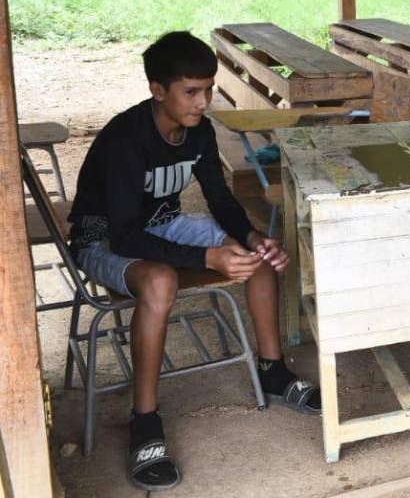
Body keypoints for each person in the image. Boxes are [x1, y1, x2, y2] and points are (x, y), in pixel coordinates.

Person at [68, 31, 320, 492]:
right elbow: (124, 236)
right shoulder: (126, 139)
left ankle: (272, 371)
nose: (204, 101)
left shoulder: (199, 131)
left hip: (164, 225)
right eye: (191, 91)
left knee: (255, 256)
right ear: (157, 90)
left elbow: (220, 199)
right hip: (103, 239)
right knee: (160, 281)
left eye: (208, 89)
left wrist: (250, 235)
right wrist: (207, 255)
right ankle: (145, 422)